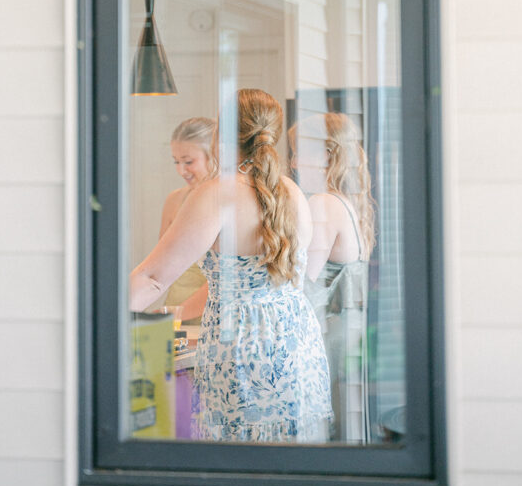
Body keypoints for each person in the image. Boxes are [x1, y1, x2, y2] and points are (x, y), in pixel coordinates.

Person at [130, 88, 333, 442]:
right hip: (296, 343)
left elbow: (152, 277)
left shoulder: (218, 194)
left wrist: (99, 322)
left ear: (223, 135)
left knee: (239, 464)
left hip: (241, 347)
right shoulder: (292, 193)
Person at [290, 112, 375, 444]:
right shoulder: (349, 203)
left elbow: (302, 282)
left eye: (299, 151)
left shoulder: (323, 204)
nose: (294, 162)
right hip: (350, 334)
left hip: (330, 338)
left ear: (326, 154)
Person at [156, 117, 216, 318]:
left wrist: (176, 314)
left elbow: (223, 280)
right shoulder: (174, 200)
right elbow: (160, 268)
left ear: (214, 155)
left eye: (188, 162)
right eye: (176, 161)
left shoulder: (232, 205)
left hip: (211, 320)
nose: (181, 170)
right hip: (174, 316)